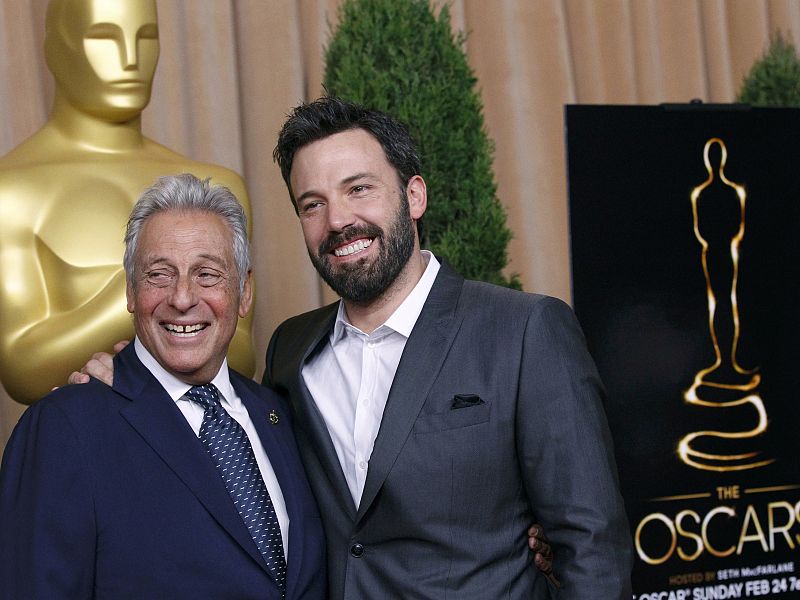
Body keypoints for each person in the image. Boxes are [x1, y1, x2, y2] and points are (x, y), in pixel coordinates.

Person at [260, 96, 633, 598]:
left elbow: (592, 547)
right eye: (313, 204)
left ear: (414, 196)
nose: (338, 220)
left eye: (359, 188)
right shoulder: (290, 351)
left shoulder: (525, 331)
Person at [0, 174, 325, 599]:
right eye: (159, 275)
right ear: (131, 292)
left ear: (244, 292)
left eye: (207, 274)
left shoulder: (280, 414)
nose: (182, 298)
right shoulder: (63, 428)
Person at [0, 0, 253, 406]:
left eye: (146, 37)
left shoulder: (216, 186)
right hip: (78, 433)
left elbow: (241, 354)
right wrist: (146, 299)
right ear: (54, 49)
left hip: (200, 431)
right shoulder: (10, 190)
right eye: (104, 37)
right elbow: (23, 370)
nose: (130, 58)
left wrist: (151, 302)